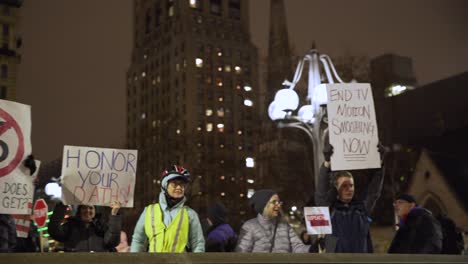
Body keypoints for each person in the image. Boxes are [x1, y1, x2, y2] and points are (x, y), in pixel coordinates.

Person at [314, 143, 385, 253]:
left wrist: (379, 163)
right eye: (344, 186)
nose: (349, 189)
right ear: (336, 188)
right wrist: (326, 164)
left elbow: (373, 192)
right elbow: (321, 195)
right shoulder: (329, 210)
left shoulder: (361, 209)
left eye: (351, 185)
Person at [130, 165, 205, 253]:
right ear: (165, 186)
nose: (179, 187)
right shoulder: (148, 211)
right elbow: (138, 241)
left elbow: (198, 244)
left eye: (182, 185)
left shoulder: (190, 214)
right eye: (174, 184)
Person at [236, 189, 314, 253]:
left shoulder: (284, 226)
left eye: (279, 202)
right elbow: (242, 254)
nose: (279, 205)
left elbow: (297, 247)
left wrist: (311, 249)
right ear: (263, 205)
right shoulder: (250, 226)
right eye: (274, 202)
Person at [48, 201, 122, 252]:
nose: (87, 210)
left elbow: (113, 242)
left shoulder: (102, 227)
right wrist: (62, 205)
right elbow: (54, 231)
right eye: (84, 208)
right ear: (79, 210)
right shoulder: (70, 227)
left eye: (90, 208)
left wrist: (114, 214)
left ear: (95, 211)